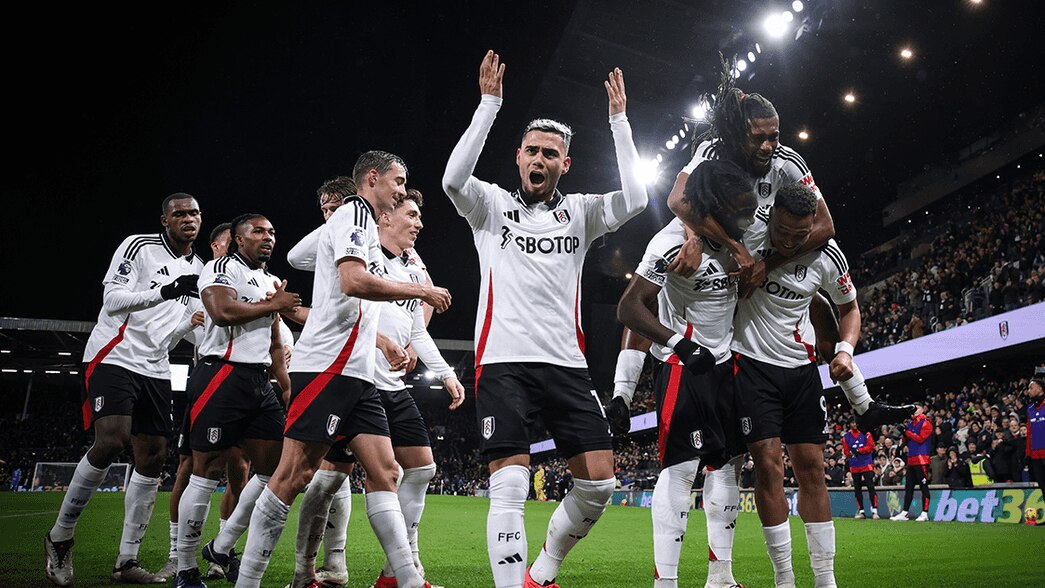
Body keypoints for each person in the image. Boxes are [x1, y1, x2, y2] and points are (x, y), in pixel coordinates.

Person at [441, 50, 648, 588]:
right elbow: (451, 179)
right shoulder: (489, 207)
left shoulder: (580, 211)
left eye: (550, 153)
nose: (539, 158)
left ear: (564, 165)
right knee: (508, 488)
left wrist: (619, 123)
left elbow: (637, 197)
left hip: (566, 364)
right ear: (517, 158)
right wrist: (488, 106)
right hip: (503, 362)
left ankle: (543, 569)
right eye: (531, 150)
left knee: (599, 485)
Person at [234, 151, 451, 588]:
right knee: (293, 476)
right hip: (328, 367)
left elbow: (304, 257)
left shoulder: (360, 224)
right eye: (397, 181)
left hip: (359, 374)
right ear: (373, 178)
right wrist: (419, 292)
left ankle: (405, 579)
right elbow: (353, 281)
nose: (402, 190)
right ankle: (249, 579)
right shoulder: (354, 211)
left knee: (387, 471)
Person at [664, 56, 911, 433]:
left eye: (774, 135)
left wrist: (767, 261)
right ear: (739, 133)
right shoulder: (715, 151)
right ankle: (626, 390)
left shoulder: (786, 160)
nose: (768, 145)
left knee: (815, 301)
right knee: (655, 273)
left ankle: (862, 402)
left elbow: (825, 224)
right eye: (758, 137)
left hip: (761, 250)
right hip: (718, 247)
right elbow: (679, 202)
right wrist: (713, 241)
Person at [293, 188, 465, 588]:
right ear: (385, 217)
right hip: (351, 379)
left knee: (421, 467)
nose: (420, 224)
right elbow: (302, 263)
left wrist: (445, 374)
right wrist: (340, 219)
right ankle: (306, 570)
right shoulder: (360, 257)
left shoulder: (411, 268)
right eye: (411, 215)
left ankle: (397, 570)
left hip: (389, 386)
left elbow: (417, 331)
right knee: (324, 480)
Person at [45, 193, 204, 586]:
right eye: (180, 213)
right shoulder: (139, 246)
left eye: (195, 213)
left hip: (155, 365)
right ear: (164, 220)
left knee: (153, 455)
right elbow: (112, 299)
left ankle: (126, 562)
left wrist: (196, 330)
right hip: (114, 354)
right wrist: (165, 290)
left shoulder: (201, 269)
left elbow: (177, 331)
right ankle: (61, 535)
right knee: (113, 439)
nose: (189, 219)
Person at [616, 159, 754, 588]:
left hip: (728, 363)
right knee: (680, 470)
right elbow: (630, 307)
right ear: (712, 207)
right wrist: (677, 345)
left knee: (729, 467)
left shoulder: (743, 238)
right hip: (684, 366)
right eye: (740, 211)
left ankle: (721, 576)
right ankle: (667, 582)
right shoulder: (670, 241)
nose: (749, 219)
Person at [731, 181, 859, 588]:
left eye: (798, 235)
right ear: (772, 218)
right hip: (751, 366)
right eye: (782, 232)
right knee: (768, 468)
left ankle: (825, 579)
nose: (788, 241)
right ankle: (784, 578)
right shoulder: (748, 237)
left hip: (801, 371)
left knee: (813, 470)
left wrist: (844, 350)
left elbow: (850, 308)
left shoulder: (825, 256)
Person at [171, 213, 301, 588]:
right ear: (238, 239)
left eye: (272, 232)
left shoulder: (270, 281)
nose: (267, 237)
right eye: (258, 231)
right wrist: (273, 304)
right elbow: (222, 311)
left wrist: (285, 383)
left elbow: (276, 339)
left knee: (276, 472)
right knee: (206, 471)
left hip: (261, 383)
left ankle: (222, 546)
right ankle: (185, 569)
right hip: (221, 375)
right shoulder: (219, 268)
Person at [891, 403, 933, 522]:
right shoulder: (911, 423)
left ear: (923, 410)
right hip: (912, 459)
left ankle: (925, 513)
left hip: (921, 459)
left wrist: (906, 432)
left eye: (917, 408)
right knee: (908, 487)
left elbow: (920, 439)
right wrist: (900, 445)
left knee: (924, 487)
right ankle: (905, 512)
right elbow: (906, 438)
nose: (914, 410)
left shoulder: (926, 422)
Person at [841, 419, 878, 519]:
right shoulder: (846, 437)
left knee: (870, 486)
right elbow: (846, 451)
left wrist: (859, 450)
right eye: (852, 423)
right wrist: (851, 453)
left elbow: (871, 447)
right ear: (849, 424)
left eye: (856, 423)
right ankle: (862, 511)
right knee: (857, 488)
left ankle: (874, 511)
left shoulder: (866, 434)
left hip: (866, 463)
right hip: (855, 465)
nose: (855, 425)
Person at [1024, 374, 1045, 524]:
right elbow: (1029, 433)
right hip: (1036, 455)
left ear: (1040, 388)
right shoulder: (1030, 409)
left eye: (1031, 387)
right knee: (1043, 487)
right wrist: (1028, 454)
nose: (1028, 390)